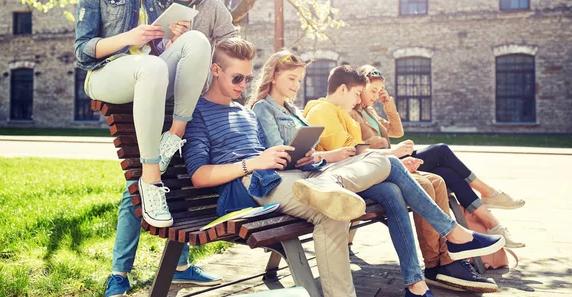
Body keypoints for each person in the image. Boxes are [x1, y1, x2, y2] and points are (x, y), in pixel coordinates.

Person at [187, 43, 504, 297]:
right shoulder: (199, 114)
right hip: (252, 185)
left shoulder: (244, 112)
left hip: (287, 177)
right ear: (215, 71)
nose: (244, 85)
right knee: (385, 163)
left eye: (246, 77)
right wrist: (252, 163)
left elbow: (275, 154)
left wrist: (301, 159)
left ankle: (333, 194)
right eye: (236, 78)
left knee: (357, 196)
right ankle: (453, 235)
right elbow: (199, 175)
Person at [74, 0, 230, 296]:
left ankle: (172, 138)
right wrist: (130, 38)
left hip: (151, 80)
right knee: (150, 63)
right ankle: (150, 179)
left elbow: (160, 57)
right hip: (107, 73)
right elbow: (82, 51)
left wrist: (171, 38)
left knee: (193, 41)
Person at [349, 65, 503, 291]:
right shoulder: (351, 113)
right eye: (372, 90)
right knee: (435, 164)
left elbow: (396, 130)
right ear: (359, 87)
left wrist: (386, 101)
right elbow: (359, 148)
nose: (375, 95)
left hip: (391, 162)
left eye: (379, 91)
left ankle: (447, 258)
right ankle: (437, 262)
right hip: (381, 167)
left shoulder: (370, 112)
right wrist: (394, 152)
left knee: (441, 179)